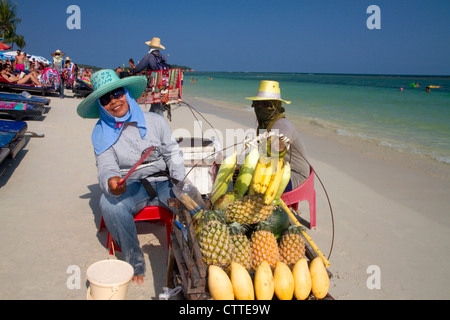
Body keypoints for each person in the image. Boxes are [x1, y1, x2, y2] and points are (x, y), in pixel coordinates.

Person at [76, 69, 185, 284]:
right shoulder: (100, 132)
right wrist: (111, 181)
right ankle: (133, 261)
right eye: (105, 99)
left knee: (192, 205)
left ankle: (191, 257)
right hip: (131, 184)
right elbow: (106, 165)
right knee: (110, 206)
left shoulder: (154, 120)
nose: (113, 101)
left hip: (163, 179)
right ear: (100, 105)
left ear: (126, 93)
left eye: (117, 94)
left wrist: (180, 183)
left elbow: (172, 152)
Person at [245, 80, 310, 191]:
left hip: (293, 175)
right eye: (255, 104)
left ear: (274, 106)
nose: (258, 108)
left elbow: (279, 146)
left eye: (265, 104)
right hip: (274, 169)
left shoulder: (283, 125)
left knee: (255, 185)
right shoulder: (263, 126)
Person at [131, 37, 170, 115]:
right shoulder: (162, 57)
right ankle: (151, 121)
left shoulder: (149, 56)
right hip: (164, 85)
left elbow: (139, 68)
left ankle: (159, 123)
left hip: (153, 85)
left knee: (156, 108)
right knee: (155, 107)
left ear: (150, 47)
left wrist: (132, 71)